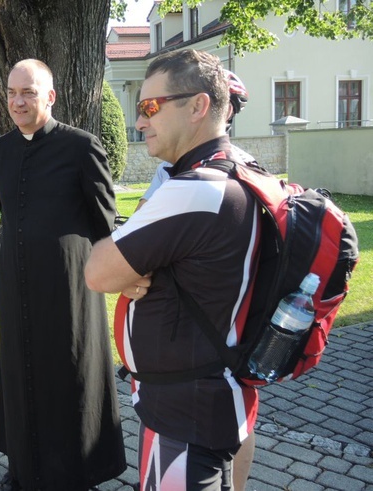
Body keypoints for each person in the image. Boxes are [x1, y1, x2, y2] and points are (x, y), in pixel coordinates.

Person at [85, 49, 261, 490]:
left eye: (149, 107)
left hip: (185, 409)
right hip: (210, 395)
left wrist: (134, 269)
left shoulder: (194, 190)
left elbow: (98, 272)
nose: (140, 121)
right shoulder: (242, 173)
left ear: (198, 106)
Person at [0, 58, 126, 491]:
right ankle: (24, 465)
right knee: (20, 367)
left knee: (69, 372)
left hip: (70, 288)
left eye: (28, 92)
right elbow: (8, 212)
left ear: (50, 96)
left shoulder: (82, 147)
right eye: (12, 92)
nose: (18, 101)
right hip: (16, 284)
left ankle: (77, 469)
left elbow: (106, 222)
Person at [135, 69, 252, 211]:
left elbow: (136, 224)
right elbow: (142, 211)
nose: (139, 124)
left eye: (150, 107)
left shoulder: (199, 182)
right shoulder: (247, 164)